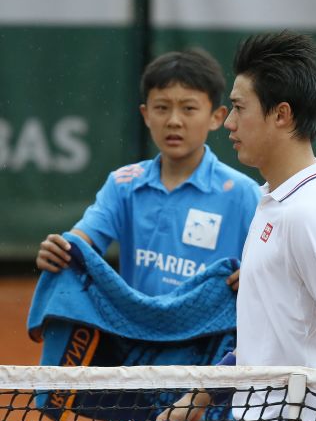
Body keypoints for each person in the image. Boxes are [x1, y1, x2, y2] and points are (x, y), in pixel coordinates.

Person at [153, 31, 316, 421]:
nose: (230, 123)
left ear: (282, 115)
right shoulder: (271, 201)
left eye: (239, 108)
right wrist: (200, 396)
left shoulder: (311, 214)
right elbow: (267, 336)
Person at [35, 48, 260, 295]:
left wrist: (256, 275)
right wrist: (59, 250)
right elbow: (79, 243)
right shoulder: (123, 184)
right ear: (146, 115)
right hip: (136, 331)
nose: (174, 120)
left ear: (216, 117)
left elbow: (271, 268)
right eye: (162, 108)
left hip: (213, 333)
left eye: (189, 108)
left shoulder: (242, 193)